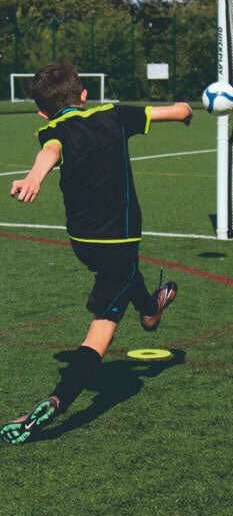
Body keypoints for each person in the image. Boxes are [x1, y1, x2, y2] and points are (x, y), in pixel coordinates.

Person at [1, 62, 193, 445]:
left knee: (124, 275)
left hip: (83, 242)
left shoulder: (52, 130)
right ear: (85, 95)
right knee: (104, 323)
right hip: (121, 238)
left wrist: (34, 177)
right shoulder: (115, 115)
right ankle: (58, 400)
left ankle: (151, 309)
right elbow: (177, 111)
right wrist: (185, 110)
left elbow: (50, 151)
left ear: (42, 113)